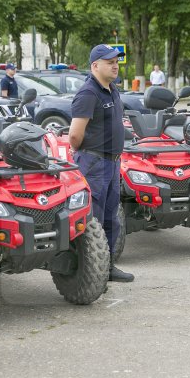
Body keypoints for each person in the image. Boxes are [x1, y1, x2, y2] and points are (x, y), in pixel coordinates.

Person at [68, 44, 133, 282]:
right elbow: (75, 136)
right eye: (109, 62)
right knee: (92, 220)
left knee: (110, 218)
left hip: (113, 163)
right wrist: (89, 154)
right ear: (95, 65)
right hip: (94, 163)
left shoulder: (112, 89)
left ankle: (107, 266)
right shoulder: (88, 93)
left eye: (116, 61)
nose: (115, 65)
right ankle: (89, 273)